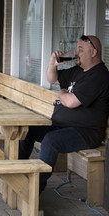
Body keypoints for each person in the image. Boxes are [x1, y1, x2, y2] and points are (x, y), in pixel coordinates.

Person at [19, 35, 109, 193]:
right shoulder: (78, 70)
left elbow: (71, 102)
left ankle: (33, 191)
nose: (76, 52)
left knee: (51, 141)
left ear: (93, 52)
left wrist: (60, 93)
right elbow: (51, 78)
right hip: (62, 126)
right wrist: (52, 63)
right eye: (77, 48)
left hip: (85, 132)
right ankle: (17, 176)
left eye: (80, 49)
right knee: (27, 130)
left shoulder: (99, 75)